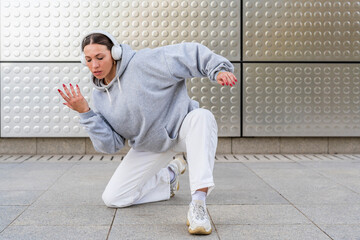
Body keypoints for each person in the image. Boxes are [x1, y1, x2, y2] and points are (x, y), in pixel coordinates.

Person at [58, 30, 237, 235]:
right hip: (150, 145)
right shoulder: (99, 97)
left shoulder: (144, 62)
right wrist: (86, 113)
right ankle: (169, 176)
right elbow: (112, 145)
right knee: (113, 198)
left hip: (181, 128)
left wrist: (218, 70)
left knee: (202, 117)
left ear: (114, 53)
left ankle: (198, 204)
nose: (95, 65)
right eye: (89, 60)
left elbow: (189, 53)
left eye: (100, 57)